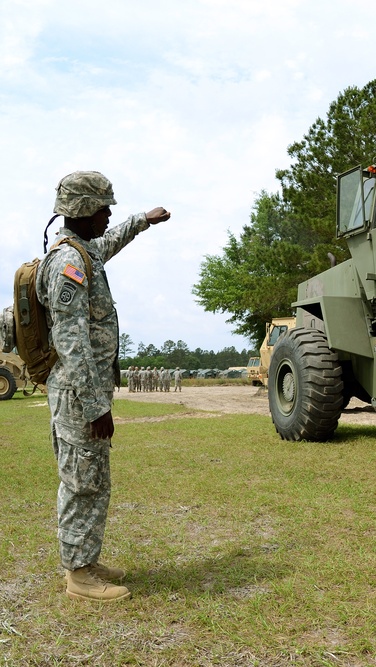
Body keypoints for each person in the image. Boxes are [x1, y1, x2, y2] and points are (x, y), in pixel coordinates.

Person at [37, 171, 170, 602]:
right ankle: (78, 575)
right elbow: (70, 340)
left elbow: (110, 242)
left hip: (84, 392)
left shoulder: (84, 250)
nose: (108, 214)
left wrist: (143, 220)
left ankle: (86, 559)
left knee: (93, 476)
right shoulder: (70, 262)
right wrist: (96, 406)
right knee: (81, 480)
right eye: (103, 208)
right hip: (79, 395)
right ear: (83, 211)